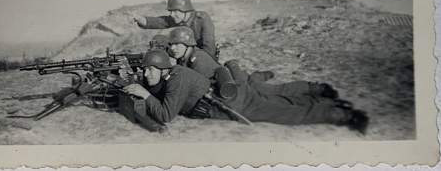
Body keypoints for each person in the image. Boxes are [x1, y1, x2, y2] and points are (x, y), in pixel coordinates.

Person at [123, 50, 369, 133]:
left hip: (234, 104)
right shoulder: (172, 73)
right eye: (144, 71)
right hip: (231, 97)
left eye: (149, 70)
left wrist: (144, 95)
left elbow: (166, 115)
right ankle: (323, 99)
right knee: (279, 100)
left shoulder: (177, 79)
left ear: (163, 68)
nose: (146, 75)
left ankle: (344, 115)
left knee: (287, 114)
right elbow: (157, 87)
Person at [168, 26, 339, 100]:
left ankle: (316, 88)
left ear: (188, 44)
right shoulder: (187, 57)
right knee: (254, 81)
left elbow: (203, 85)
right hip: (234, 77)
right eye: (172, 44)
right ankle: (263, 74)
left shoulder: (197, 60)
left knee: (273, 92)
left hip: (234, 84)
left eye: (177, 44)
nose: (173, 48)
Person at [133, 0, 218, 59]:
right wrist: (140, 19)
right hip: (186, 55)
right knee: (159, 40)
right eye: (170, 11)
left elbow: (209, 45)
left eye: (175, 11)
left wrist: (203, 64)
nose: (172, 15)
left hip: (202, 57)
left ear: (185, 10)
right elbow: (160, 21)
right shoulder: (179, 18)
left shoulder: (202, 19)